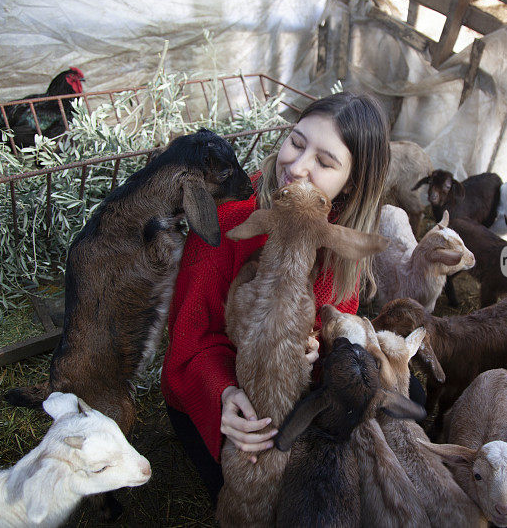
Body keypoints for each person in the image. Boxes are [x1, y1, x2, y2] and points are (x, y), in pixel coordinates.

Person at [160, 91, 391, 505]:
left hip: (289, 397)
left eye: (325, 162)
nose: (297, 167)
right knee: (250, 498)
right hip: (221, 394)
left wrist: (315, 351)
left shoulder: (341, 244)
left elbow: (336, 326)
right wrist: (223, 396)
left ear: (351, 182)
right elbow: (191, 338)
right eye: (297, 143)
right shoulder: (229, 219)